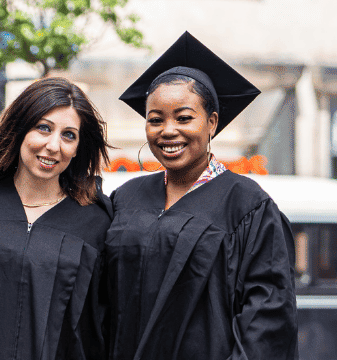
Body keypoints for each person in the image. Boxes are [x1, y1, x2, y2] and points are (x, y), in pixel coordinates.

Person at [107, 31, 297, 359]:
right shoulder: (126, 198)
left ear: (211, 122)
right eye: (155, 120)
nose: (168, 130)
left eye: (184, 118)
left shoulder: (247, 205)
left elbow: (266, 320)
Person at [0, 77, 112, 360]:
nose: (53, 145)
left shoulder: (94, 222)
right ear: (20, 128)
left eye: (68, 135)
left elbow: (99, 326)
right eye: (43, 128)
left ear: (79, 146)